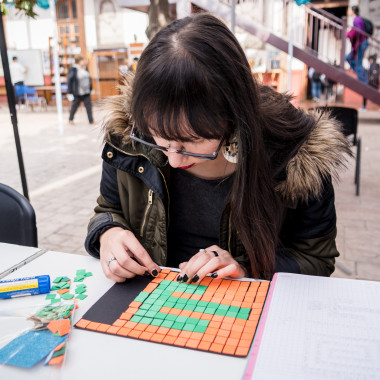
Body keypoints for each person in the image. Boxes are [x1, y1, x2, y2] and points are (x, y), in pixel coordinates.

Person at [85, 14, 351, 283]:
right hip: (150, 301)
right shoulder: (129, 135)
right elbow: (108, 209)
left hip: (241, 312)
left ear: (233, 116)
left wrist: (246, 268)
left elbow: (316, 259)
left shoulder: (296, 157)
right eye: (160, 139)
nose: (174, 160)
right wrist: (108, 233)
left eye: (192, 140)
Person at [67, 55, 94, 125]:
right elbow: (70, 80)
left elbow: (89, 79)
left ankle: (91, 120)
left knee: (88, 106)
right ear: (79, 61)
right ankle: (70, 120)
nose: (84, 62)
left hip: (86, 91)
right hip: (78, 91)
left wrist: (91, 88)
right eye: (82, 60)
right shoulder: (73, 69)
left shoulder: (85, 68)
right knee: (74, 106)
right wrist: (69, 92)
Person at [346, 6, 369, 85]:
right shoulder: (357, 19)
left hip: (361, 43)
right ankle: (362, 77)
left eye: (349, 10)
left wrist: (349, 34)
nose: (348, 11)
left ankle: (364, 81)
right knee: (348, 58)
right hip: (360, 43)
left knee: (358, 63)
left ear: (353, 11)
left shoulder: (357, 19)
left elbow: (358, 31)